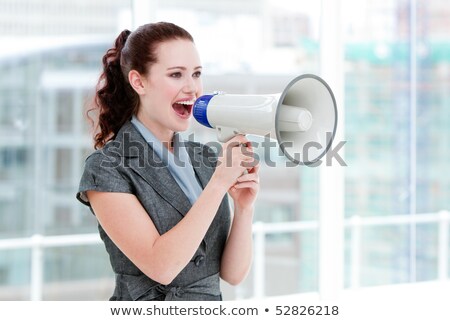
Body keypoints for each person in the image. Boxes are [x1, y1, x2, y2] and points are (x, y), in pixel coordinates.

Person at [76, 22, 259, 301]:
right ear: (139, 82)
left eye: (197, 74)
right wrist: (219, 183)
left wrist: (244, 208)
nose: (192, 88)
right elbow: (162, 267)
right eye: (176, 74)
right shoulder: (107, 168)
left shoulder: (206, 158)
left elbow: (232, 275)